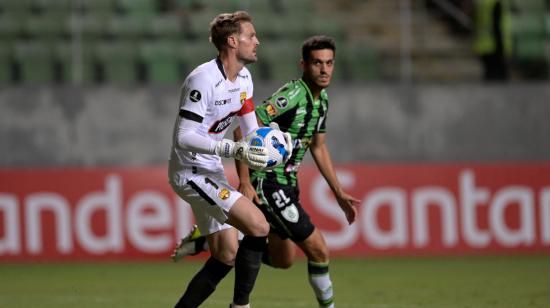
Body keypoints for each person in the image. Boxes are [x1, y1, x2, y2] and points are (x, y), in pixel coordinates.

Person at [172, 35, 360, 308]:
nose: (324, 69)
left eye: (329, 63)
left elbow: (318, 147)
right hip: (269, 184)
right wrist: (245, 181)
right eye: (317, 63)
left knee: (284, 260)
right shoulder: (292, 95)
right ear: (303, 65)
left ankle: (209, 242)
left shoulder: (323, 100)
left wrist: (339, 193)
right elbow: (243, 129)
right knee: (319, 249)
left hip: (289, 183)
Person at [168, 11, 279, 308]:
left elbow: (250, 131)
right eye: (251, 36)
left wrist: (275, 145)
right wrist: (232, 150)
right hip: (191, 172)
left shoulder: (244, 78)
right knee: (259, 226)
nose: (257, 41)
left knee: (227, 254)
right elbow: (184, 136)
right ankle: (241, 306)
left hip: (211, 169)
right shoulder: (202, 79)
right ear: (233, 41)